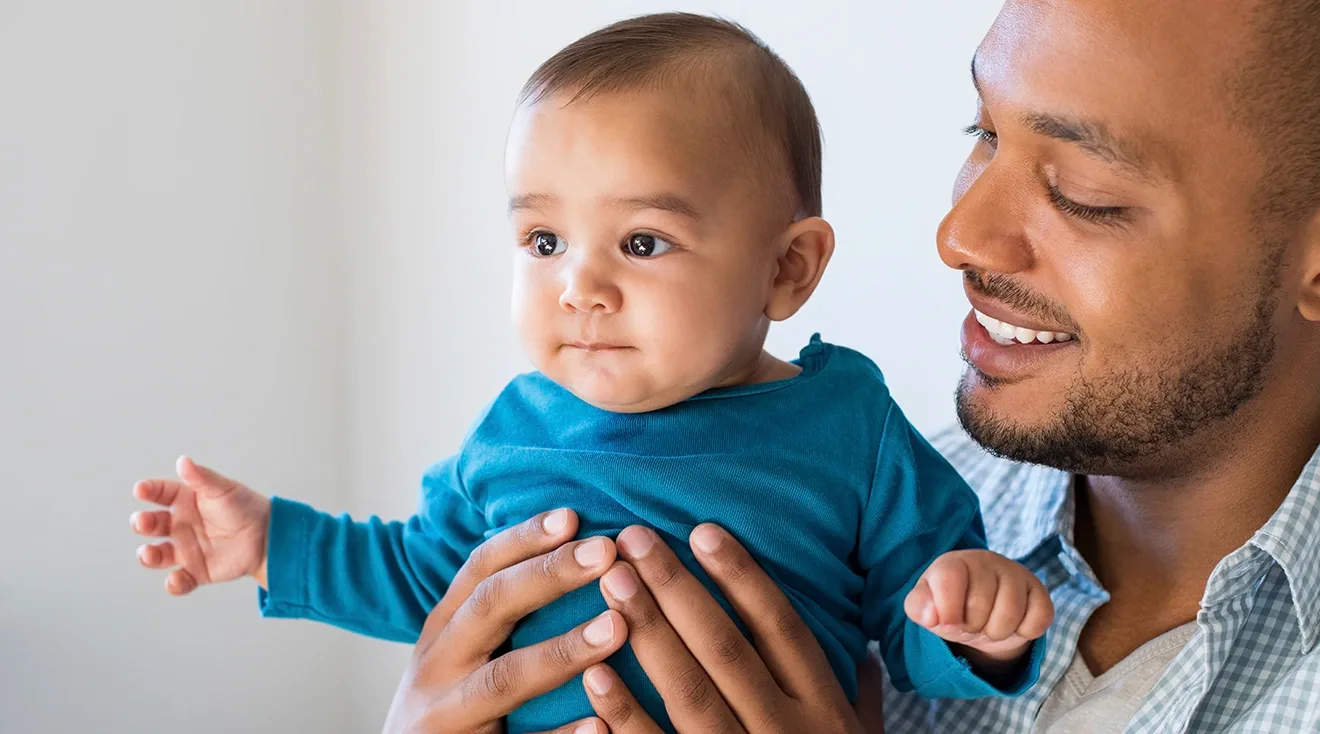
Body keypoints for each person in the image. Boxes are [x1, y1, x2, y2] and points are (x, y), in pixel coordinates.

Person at [373, 0, 1320, 732]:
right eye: (984, 133)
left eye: (1085, 192)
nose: (958, 236)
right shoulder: (915, 516)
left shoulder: (869, 476)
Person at [128, 13, 1054, 734]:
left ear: (787, 269)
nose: (579, 288)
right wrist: (272, 543)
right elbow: (422, 574)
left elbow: (913, 612)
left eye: (642, 242)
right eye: (544, 240)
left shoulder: (848, 422)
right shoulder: (516, 426)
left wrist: (972, 622)